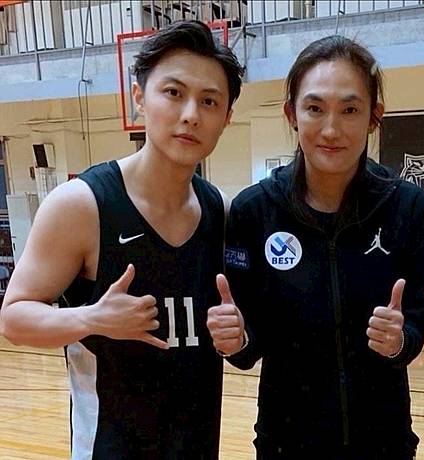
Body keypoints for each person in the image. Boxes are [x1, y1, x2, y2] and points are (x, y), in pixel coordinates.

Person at [0, 20, 243, 459]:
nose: (191, 114)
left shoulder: (220, 211)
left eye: (209, 101)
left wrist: (237, 333)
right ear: (139, 98)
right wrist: (91, 318)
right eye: (173, 92)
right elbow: (13, 319)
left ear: (226, 118)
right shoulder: (81, 205)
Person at [207, 35, 424, 459]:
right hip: (285, 444)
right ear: (291, 114)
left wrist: (398, 341)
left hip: (383, 444)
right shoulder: (254, 211)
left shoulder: (408, 207)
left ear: (374, 117)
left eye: (350, 110)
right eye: (314, 108)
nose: (331, 129)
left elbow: (416, 324)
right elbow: (248, 346)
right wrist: (235, 340)